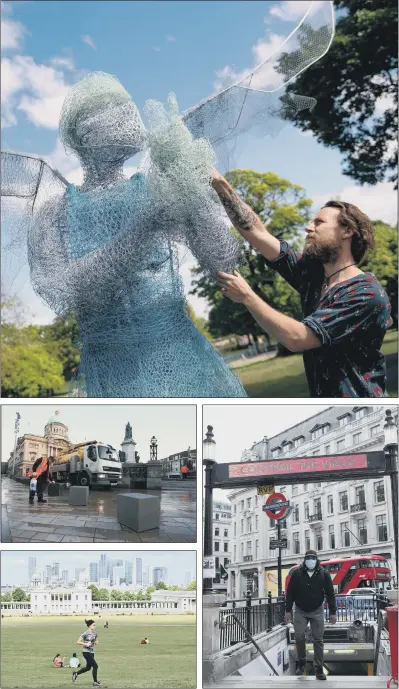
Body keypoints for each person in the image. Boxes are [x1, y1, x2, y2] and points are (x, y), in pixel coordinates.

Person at [212, 170, 392, 398]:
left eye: (318, 222)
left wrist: (247, 296)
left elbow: (298, 338)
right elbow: (257, 232)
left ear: (347, 231)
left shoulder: (366, 294)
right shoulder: (314, 275)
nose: (308, 227)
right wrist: (221, 185)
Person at [284, 550, 337, 680]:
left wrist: (333, 612)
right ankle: (302, 663)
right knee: (299, 636)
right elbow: (290, 593)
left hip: (317, 611)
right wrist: (288, 611)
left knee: (318, 639)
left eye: (313, 558)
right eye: (308, 558)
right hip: (300, 611)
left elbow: (330, 594)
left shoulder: (324, 574)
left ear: (316, 560)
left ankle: (319, 669)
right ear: (305, 560)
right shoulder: (297, 573)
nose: (311, 560)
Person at [73, 619, 102, 687]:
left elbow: (96, 641)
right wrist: (85, 644)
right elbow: (78, 641)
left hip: (92, 652)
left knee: (88, 668)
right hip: (86, 652)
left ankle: (76, 674)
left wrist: (96, 642)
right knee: (95, 666)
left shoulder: (95, 633)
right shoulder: (85, 633)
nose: (94, 626)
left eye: (95, 625)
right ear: (89, 626)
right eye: (93, 625)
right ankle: (95, 682)